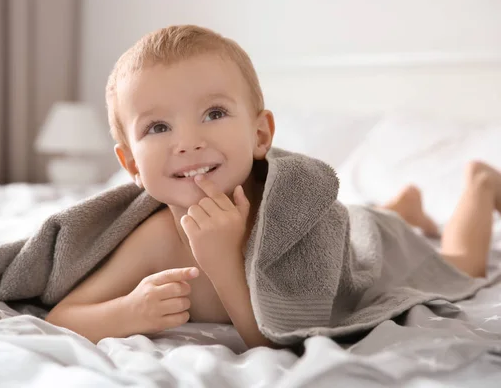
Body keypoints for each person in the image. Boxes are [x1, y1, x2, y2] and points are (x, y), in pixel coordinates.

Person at [45, 25, 501, 349]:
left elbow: (275, 337)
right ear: (131, 166)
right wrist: (128, 312)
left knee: (463, 266)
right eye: (158, 126)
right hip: (365, 225)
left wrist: (222, 257)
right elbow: (64, 315)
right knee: (378, 218)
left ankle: (479, 184)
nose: (188, 143)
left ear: (261, 135)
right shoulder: (158, 239)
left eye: (215, 114)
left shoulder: (290, 213)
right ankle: (401, 206)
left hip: (369, 249)